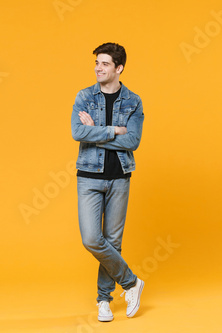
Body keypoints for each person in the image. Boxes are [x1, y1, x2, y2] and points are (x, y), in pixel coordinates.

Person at [71, 42, 145, 321]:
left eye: (104, 64)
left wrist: (96, 131)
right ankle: (132, 283)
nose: (98, 68)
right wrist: (114, 130)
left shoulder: (133, 101)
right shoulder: (84, 96)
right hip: (89, 177)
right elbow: (78, 132)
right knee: (92, 239)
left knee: (113, 242)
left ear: (119, 68)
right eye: (96, 63)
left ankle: (104, 299)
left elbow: (134, 141)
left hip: (120, 178)